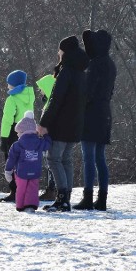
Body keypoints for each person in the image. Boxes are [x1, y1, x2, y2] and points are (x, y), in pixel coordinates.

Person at [37, 36, 88, 211]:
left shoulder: (66, 71)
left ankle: (62, 198)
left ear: (64, 52)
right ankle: (66, 196)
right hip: (75, 123)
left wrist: (44, 122)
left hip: (61, 124)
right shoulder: (81, 73)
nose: (58, 53)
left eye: (60, 50)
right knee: (66, 159)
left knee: (53, 158)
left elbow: (55, 99)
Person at [75, 29, 117, 211]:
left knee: (88, 157)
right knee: (100, 158)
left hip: (92, 113)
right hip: (105, 111)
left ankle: (88, 197)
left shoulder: (95, 64)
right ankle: (102, 198)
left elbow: (88, 92)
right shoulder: (110, 64)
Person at [0, 70, 35, 203]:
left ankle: (14, 190)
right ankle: (25, 189)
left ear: (13, 85)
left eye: (9, 83)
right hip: (29, 131)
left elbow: (7, 119)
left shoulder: (12, 99)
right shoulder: (30, 96)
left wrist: (3, 137)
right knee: (24, 162)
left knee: (11, 161)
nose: (7, 86)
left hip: (14, 132)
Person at [4, 112, 52, 212]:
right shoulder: (39, 142)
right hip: (35, 171)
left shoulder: (17, 144)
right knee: (33, 189)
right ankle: (30, 205)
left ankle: (20, 205)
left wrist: (8, 170)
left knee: (21, 189)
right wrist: (46, 134)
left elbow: (11, 159)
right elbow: (48, 145)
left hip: (21, 172)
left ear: (21, 132)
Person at [35, 71, 57, 201]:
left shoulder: (50, 105)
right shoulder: (48, 104)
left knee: (51, 164)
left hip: (50, 139)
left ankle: (52, 189)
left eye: (42, 90)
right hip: (49, 138)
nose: (41, 93)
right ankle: (51, 188)